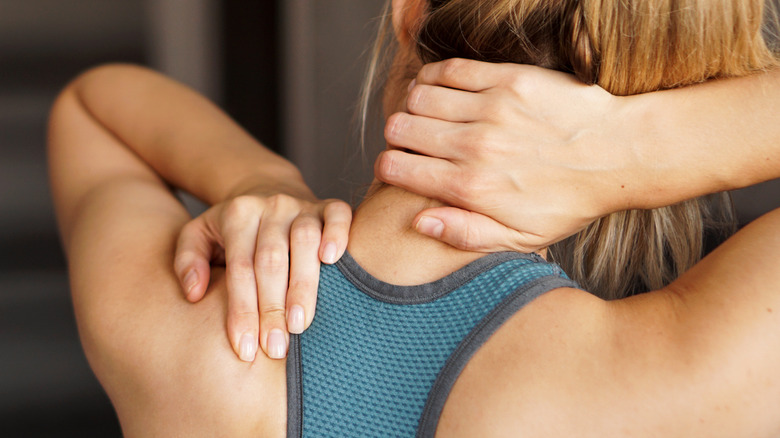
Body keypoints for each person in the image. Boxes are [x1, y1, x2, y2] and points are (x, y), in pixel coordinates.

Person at [49, 0, 780, 436]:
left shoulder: (188, 328)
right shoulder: (670, 379)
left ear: (407, 12)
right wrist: (640, 145)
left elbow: (94, 104)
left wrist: (256, 176)